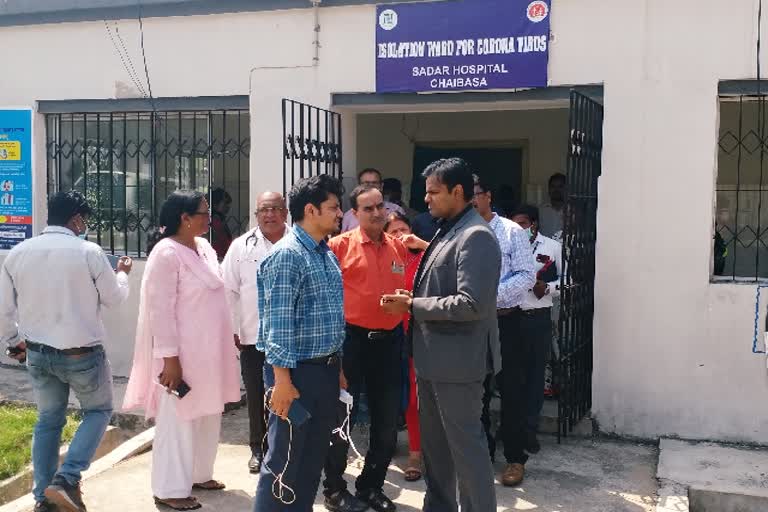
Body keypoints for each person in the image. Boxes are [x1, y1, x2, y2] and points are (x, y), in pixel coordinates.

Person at [0, 190, 132, 512]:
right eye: (84, 219)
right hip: (81, 355)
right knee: (98, 411)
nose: (85, 225)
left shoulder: (17, 253)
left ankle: (43, 497)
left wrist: (13, 342)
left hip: (38, 354)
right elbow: (114, 299)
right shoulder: (89, 251)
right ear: (76, 219)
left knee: (48, 420)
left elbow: (3, 308)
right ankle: (67, 478)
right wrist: (123, 274)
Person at [381, 158, 501, 512]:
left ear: (458, 192)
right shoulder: (446, 229)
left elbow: (471, 304)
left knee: (467, 453)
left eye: (434, 192)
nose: (427, 199)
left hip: (459, 366)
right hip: (433, 363)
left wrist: (413, 305)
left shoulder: (475, 236)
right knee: (436, 454)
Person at [123, 190, 241, 511]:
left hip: (210, 353)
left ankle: (199, 473)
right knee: (178, 419)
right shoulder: (166, 254)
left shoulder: (203, 247)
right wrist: (170, 360)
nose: (210, 217)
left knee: (208, 412)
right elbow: (160, 312)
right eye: (203, 213)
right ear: (184, 219)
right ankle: (169, 488)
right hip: (181, 357)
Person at [253, 174, 346, 512]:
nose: (340, 214)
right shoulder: (288, 256)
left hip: (324, 373)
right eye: (333, 208)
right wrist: (281, 381)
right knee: (283, 463)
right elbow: (277, 326)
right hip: (293, 377)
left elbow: (330, 319)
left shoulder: (325, 255)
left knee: (311, 461)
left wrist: (338, 370)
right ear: (310, 210)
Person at [322, 186, 408, 512]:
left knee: (386, 423)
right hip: (350, 342)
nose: (375, 213)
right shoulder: (337, 247)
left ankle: (371, 486)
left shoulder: (398, 248)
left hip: (388, 344)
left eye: (379, 207)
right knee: (341, 418)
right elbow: (327, 301)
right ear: (354, 214)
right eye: (367, 208)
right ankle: (334, 489)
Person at [471, 176, 536, 475]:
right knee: (475, 392)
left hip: (505, 322)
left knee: (511, 391)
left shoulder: (512, 232)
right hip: (471, 327)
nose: (471, 201)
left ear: (488, 196)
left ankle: (514, 457)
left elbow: (526, 275)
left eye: (476, 194)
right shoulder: (459, 232)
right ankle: (482, 454)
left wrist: (487, 298)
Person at [222, 192, 289, 474]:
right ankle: (258, 449)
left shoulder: (298, 243)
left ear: (286, 212)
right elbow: (228, 290)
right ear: (256, 214)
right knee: (257, 393)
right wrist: (234, 328)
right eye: (263, 209)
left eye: (275, 209)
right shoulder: (241, 247)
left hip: (289, 338)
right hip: (252, 336)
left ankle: (285, 448)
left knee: (288, 395)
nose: (269, 214)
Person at [508, 204, 562, 463]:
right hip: (510, 319)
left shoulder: (552, 247)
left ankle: (529, 431)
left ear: (534, 224)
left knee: (534, 377)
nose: (519, 228)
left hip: (537, 319)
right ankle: (511, 429)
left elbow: (569, 278)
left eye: (523, 224)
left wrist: (548, 288)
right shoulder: (504, 245)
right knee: (509, 377)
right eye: (514, 223)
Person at [383, 212, 428, 482]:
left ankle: (416, 453)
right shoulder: (381, 257)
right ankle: (384, 445)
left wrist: (423, 244)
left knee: (414, 398)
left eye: (404, 229)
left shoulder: (422, 258)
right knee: (386, 396)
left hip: (415, 336)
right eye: (394, 231)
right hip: (385, 335)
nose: (400, 235)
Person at [538, 173, 566, 237]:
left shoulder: (573, 211)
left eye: (560, 186)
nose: (556, 190)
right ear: (549, 189)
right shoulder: (540, 211)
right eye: (553, 186)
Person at [209, 188, 234, 261]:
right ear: (215, 204)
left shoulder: (220, 219)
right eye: (225, 203)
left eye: (228, 204)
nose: (228, 207)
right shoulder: (213, 221)